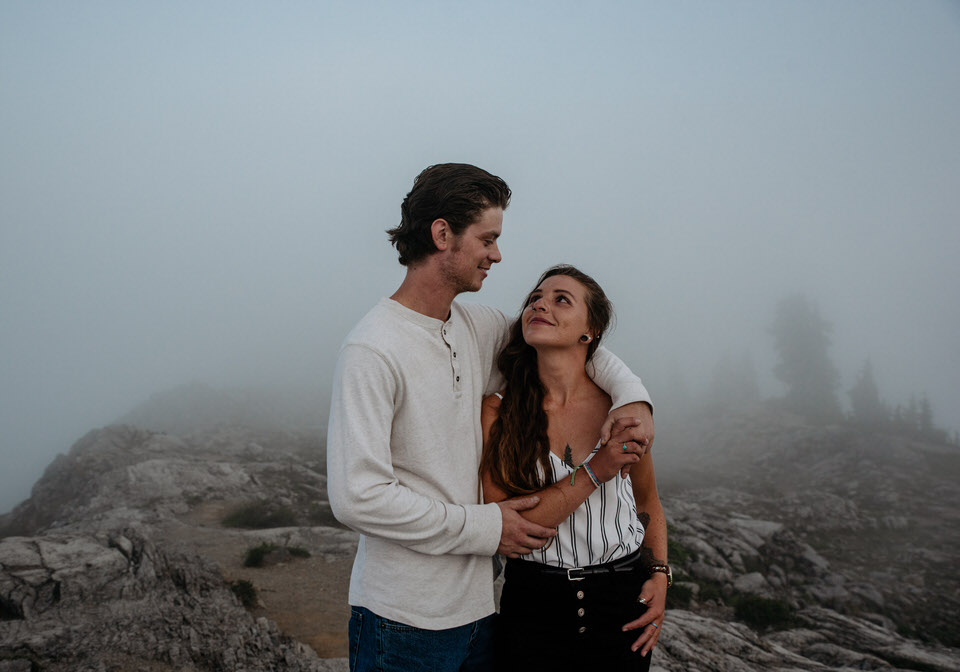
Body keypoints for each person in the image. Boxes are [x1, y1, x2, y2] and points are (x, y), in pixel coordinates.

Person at [326, 164, 654, 672]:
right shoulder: (373, 349)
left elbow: (570, 343)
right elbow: (356, 496)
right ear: (442, 235)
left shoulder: (475, 325)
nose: (497, 254)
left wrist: (632, 398)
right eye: (488, 238)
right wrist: (482, 526)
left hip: (479, 612)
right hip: (402, 620)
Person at [480, 264, 669, 672]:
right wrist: (596, 469)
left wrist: (658, 576)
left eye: (560, 299)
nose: (540, 304)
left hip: (622, 602)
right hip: (533, 605)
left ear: (590, 330)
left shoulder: (622, 411)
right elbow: (508, 529)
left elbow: (647, 499)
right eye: (535, 298)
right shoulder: (498, 411)